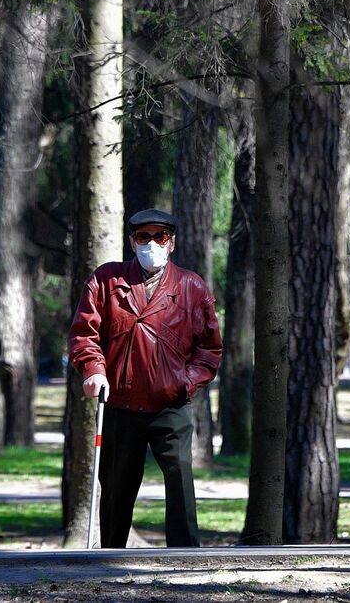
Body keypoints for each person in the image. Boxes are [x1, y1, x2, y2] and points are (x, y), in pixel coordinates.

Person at [69, 208, 223, 548]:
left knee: (180, 480)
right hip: (121, 404)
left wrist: (185, 382)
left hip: (170, 405)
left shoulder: (191, 286)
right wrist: (94, 370)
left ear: (172, 244)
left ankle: (184, 559)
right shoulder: (106, 280)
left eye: (160, 237)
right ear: (131, 241)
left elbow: (210, 349)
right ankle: (108, 556)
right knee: (116, 486)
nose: (151, 243)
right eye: (143, 237)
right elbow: (84, 335)